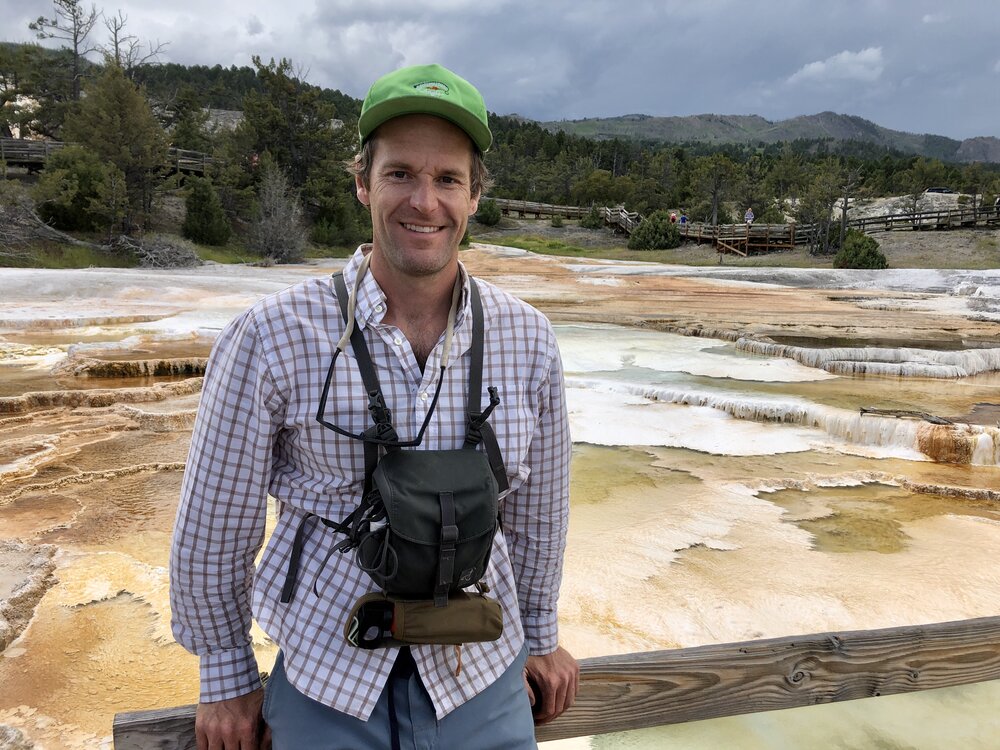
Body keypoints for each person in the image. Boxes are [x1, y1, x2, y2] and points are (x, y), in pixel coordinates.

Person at [170, 63, 579, 750]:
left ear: (475, 194)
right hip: (327, 673)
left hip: (480, 670)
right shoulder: (270, 336)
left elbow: (539, 514)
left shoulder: (528, 337)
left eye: (448, 178)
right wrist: (226, 672)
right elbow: (218, 521)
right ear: (363, 182)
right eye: (400, 175)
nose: (425, 202)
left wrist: (540, 635)